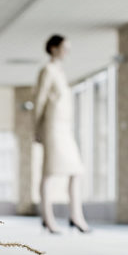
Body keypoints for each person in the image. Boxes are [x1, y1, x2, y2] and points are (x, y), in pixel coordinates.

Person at [32, 34, 90, 234]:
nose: (67, 52)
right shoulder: (47, 70)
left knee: (76, 170)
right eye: (64, 48)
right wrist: (36, 128)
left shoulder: (61, 72)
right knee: (49, 173)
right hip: (52, 127)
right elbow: (39, 100)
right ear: (54, 48)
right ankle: (48, 218)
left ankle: (76, 216)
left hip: (65, 128)